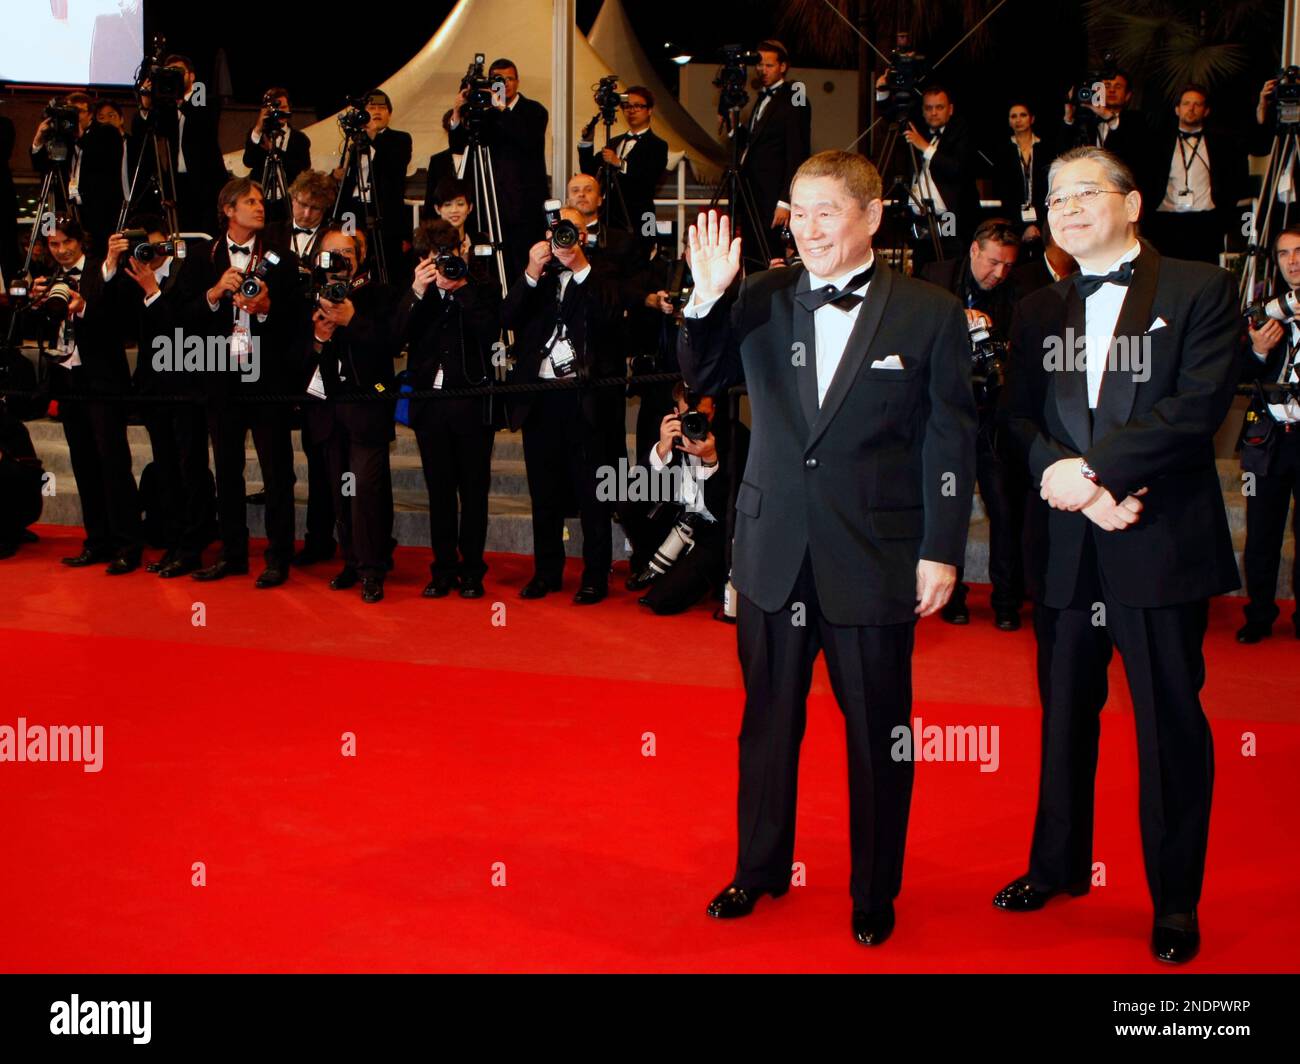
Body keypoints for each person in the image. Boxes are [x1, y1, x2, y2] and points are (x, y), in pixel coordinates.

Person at [680, 151, 976, 946]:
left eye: (827, 213)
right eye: (798, 212)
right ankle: (758, 869)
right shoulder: (762, 297)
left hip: (875, 558)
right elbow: (700, 370)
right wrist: (706, 299)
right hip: (773, 549)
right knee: (767, 723)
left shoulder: (930, 311)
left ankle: (875, 891)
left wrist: (943, 547)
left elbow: (949, 438)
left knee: (879, 730)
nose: (808, 230)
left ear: (872, 215)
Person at [995, 146, 1240, 965]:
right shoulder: (1036, 309)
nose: (1064, 207)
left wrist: (1099, 476)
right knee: (1064, 713)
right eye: (1055, 197)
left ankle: (1174, 901)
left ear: (1133, 205)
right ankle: (1057, 864)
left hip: (1158, 541)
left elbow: (1196, 406)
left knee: (1169, 724)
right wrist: (1069, 481)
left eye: (1084, 192)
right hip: (1066, 545)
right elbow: (1019, 420)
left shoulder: (1199, 287)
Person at [503, 205, 626, 604]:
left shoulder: (602, 273)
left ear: (584, 235)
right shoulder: (538, 277)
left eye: (571, 230)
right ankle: (546, 572)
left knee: (593, 496)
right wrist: (530, 273)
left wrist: (581, 267)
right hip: (540, 399)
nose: (564, 238)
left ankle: (595, 576)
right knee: (544, 494)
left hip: (584, 400)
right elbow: (507, 316)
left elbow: (610, 317)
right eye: (558, 230)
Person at [192, 178, 307, 588]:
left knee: (277, 470)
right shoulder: (202, 256)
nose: (260, 207)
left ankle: (279, 557)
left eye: (261, 201)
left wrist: (266, 308)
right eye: (251, 201)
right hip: (221, 378)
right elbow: (182, 318)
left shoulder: (282, 258)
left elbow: (298, 320)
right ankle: (233, 554)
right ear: (228, 209)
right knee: (227, 468)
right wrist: (212, 293)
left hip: (268, 376)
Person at [922, 218, 1025, 629]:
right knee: (950, 508)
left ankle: (1006, 601)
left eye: (1008, 266)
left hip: (995, 416)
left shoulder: (1019, 291)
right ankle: (953, 597)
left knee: (1004, 509)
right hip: (946, 417)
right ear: (974, 251)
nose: (999, 273)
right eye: (993, 262)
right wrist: (956, 319)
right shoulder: (935, 278)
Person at [397, 219, 502, 599]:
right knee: (439, 492)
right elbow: (395, 337)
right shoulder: (417, 291)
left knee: (474, 492)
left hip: (472, 404)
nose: (441, 264)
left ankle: (472, 571)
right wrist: (416, 291)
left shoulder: (483, 286)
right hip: (429, 406)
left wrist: (461, 290)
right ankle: (442, 569)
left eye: (447, 256)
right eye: (431, 258)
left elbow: (492, 334)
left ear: (459, 252)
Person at [35, 216, 143, 573]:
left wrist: (84, 307)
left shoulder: (104, 271)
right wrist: (36, 305)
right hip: (67, 382)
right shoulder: (49, 280)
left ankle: (127, 544)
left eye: (67, 242)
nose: (62, 250)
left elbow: (123, 324)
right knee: (83, 464)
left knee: (113, 464)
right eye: (54, 245)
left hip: (103, 381)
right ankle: (96, 541)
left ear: (81, 241)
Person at [112, 214, 215, 578]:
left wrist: (153, 290)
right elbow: (118, 321)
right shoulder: (133, 277)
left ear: (168, 243)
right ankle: (174, 541)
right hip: (153, 389)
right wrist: (114, 265)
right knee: (166, 469)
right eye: (143, 247)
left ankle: (193, 545)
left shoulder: (188, 272)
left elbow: (184, 328)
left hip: (187, 388)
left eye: (156, 246)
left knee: (191, 468)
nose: (150, 252)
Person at [302, 228, 397, 603]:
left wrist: (352, 319)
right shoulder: (310, 297)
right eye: (332, 254)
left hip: (366, 408)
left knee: (366, 490)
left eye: (346, 253)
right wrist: (320, 338)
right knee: (341, 491)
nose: (339, 261)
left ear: (359, 257)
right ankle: (351, 561)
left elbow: (390, 345)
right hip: (328, 410)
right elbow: (296, 356)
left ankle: (373, 569)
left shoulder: (377, 295)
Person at [1235, 225, 1300, 643]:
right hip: (1269, 437)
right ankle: (1258, 613)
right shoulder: (1266, 310)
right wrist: (1258, 348)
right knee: (1261, 531)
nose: (1292, 260)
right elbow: (1235, 375)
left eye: (1299, 251)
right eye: (1283, 254)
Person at [449, 58, 548, 284]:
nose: (504, 84)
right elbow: (458, 147)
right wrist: (457, 112)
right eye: (498, 80)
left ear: (517, 82)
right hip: (490, 200)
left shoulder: (534, 110)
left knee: (522, 264)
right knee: (489, 263)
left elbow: (527, 140)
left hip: (524, 206)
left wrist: (501, 107)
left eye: (509, 79)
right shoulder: (484, 111)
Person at [1140, 85, 1246, 265]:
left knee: (1204, 274)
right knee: (1166, 274)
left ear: (1206, 111)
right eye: (1186, 103)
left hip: (1205, 222)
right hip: (1166, 220)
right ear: (1177, 109)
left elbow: (1235, 177)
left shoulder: (1223, 144)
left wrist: (1225, 211)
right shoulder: (1157, 141)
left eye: (1197, 104)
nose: (1191, 108)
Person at [133, 54, 228, 235]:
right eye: (169, 73)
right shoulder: (168, 105)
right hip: (179, 183)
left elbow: (203, 124)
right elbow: (149, 132)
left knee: (207, 234)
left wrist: (178, 100)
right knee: (182, 234)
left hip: (207, 184)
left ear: (191, 76)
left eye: (178, 72)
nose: (174, 77)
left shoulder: (206, 98)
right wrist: (146, 105)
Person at [737, 40, 811, 265]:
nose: (762, 70)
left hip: (773, 196)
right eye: (759, 65)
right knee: (751, 256)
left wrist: (786, 201)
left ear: (783, 66)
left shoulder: (795, 95)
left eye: (769, 65)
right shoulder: (759, 98)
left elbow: (798, 152)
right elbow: (754, 145)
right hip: (751, 193)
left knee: (772, 256)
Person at [334, 90, 413, 285]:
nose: (377, 111)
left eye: (382, 107)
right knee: (350, 250)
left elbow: (394, 165)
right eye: (371, 107)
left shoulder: (400, 139)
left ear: (390, 113)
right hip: (352, 210)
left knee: (383, 262)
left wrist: (373, 134)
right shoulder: (356, 142)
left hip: (382, 212)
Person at [578, 85, 668, 246]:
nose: (631, 110)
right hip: (611, 215)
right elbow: (590, 172)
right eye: (627, 106)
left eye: (638, 106)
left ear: (649, 110)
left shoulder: (658, 145)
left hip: (642, 215)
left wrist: (619, 163)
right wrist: (587, 141)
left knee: (642, 259)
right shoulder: (614, 142)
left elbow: (649, 177)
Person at [241, 86, 312, 221]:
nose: (280, 112)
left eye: (284, 108)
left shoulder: (300, 139)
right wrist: (257, 129)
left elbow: (301, 170)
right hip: (262, 199)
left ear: (289, 109)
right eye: (276, 108)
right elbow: (248, 161)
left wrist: (274, 151)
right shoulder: (258, 135)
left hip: (288, 201)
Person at [994, 100, 1050, 252]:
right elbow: (1003, 192)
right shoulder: (1002, 151)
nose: (1018, 120)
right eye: (1013, 116)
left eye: (1023, 115)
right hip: (1013, 222)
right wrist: (1022, 227)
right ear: (1009, 121)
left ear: (1032, 119)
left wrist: (1037, 225)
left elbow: (1049, 188)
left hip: (1044, 220)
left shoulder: (1045, 148)